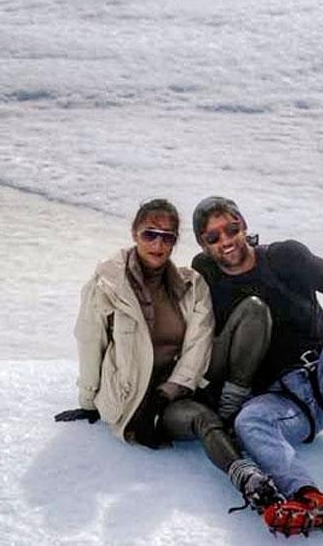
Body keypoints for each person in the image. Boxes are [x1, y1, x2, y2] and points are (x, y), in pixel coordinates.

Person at [191, 196, 323, 537]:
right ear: (203, 246)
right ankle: (307, 494)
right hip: (283, 403)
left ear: (244, 225)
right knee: (250, 420)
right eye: (212, 237)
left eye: (231, 229)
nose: (226, 241)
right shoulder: (206, 275)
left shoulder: (284, 257)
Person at [54, 198, 282, 512]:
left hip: (185, 383)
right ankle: (249, 480)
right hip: (141, 401)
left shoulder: (191, 283)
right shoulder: (106, 285)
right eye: (150, 234)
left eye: (168, 237)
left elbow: (199, 343)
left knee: (254, 311)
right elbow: (90, 342)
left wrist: (170, 390)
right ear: (134, 233)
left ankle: (230, 410)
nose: (159, 244)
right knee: (203, 419)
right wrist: (89, 402)